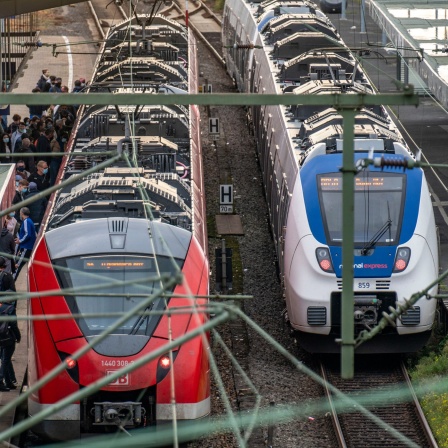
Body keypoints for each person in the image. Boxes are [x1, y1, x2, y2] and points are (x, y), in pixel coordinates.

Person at [0, 265, 20, 391]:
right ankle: (2, 379)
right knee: (6, 359)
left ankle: (9, 382)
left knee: (5, 359)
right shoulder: (11, 309)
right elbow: (14, 326)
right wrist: (18, 337)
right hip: (8, 337)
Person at [14, 207, 36, 280]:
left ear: (22, 213)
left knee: (17, 266)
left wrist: (20, 241)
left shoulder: (26, 221)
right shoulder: (30, 221)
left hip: (26, 247)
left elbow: (27, 234)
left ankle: (10, 285)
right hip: (28, 247)